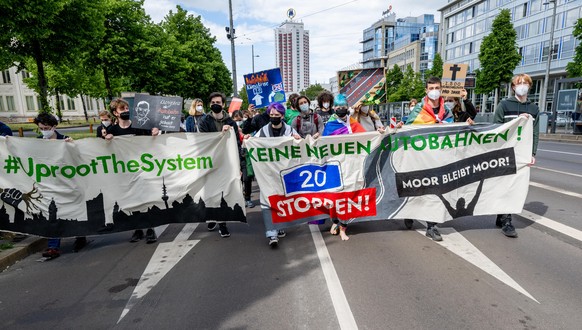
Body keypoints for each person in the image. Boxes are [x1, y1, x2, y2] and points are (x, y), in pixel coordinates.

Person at [402, 77, 454, 241]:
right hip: (421, 157)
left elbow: (454, 130)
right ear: (426, 90)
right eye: (431, 87)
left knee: (436, 191)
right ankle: (409, 212)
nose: (434, 90)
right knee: (418, 190)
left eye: (437, 87)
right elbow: (409, 129)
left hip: (439, 157)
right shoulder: (419, 109)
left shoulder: (446, 111)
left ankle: (432, 226)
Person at [104, 98, 160, 244]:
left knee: (146, 200)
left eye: (127, 108)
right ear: (115, 113)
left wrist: (154, 133)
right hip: (125, 172)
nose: (126, 111)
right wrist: (106, 140)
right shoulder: (112, 131)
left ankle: (150, 229)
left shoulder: (140, 126)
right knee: (131, 200)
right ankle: (137, 229)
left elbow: (151, 142)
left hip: (143, 170)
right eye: (122, 109)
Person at [246, 102, 300, 247]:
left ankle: (280, 226)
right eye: (271, 115)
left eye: (277, 115)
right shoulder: (263, 131)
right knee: (266, 200)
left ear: (282, 116)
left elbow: (300, 147)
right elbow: (254, 143)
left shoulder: (290, 131)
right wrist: (248, 140)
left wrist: (298, 141)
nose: (274, 117)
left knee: (282, 199)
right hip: (267, 173)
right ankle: (271, 233)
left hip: (284, 173)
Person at [34, 114, 87, 258]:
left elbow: (78, 158)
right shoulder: (37, 143)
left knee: (72, 210)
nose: (44, 131)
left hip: (66, 183)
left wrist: (73, 146)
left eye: (47, 128)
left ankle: (80, 236)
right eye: (41, 129)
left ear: (54, 127)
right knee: (52, 213)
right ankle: (53, 246)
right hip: (48, 184)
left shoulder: (64, 140)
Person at [493, 73, 539, 238]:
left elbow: (534, 132)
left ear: (529, 86)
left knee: (516, 185)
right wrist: (516, 121)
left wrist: (532, 152)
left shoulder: (533, 108)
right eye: (518, 83)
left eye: (525, 83)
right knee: (505, 184)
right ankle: (505, 218)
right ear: (513, 87)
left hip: (522, 153)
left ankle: (505, 218)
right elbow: (496, 127)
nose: (522, 86)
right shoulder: (504, 105)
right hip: (505, 151)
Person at [322, 94, 369, 241]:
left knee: (349, 195)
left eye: (343, 106)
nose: (341, 109)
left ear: (347, 107)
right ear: (334, 108)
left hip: (351, 167)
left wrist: (380, 133)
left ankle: (343, 227)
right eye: (338, 107)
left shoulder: (353, 123)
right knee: (334, 197)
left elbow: (367, 138)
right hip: (335, 167)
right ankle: (335, 221)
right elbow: (323, 145)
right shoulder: (329, 125)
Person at [198, 92, 244, 238]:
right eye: (212, 103)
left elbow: (237, 144)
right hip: (211, 163)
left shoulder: (231, 122)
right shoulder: (204, 122)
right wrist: (220, 134)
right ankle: (212, 216)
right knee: (211, 192)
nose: (215, 105)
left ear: (223, 104)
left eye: (218, 102)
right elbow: (204, 142)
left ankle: (222, 223)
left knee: (224, 192)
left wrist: (239, 165)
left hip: (226, 163)